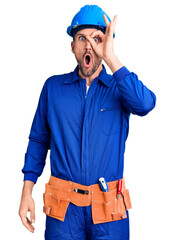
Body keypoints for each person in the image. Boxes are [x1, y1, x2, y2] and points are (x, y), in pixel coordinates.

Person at [18, 4, 156, 240]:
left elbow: (145, 104)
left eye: (97, 38)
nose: (89, 45)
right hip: (63, 211)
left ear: (106, 43)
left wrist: (111, 58)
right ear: (72, 46)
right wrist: (26, 191)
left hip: (109, 211)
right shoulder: (53, 88)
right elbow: (39, 140)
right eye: (81, 38)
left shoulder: (119, 88)